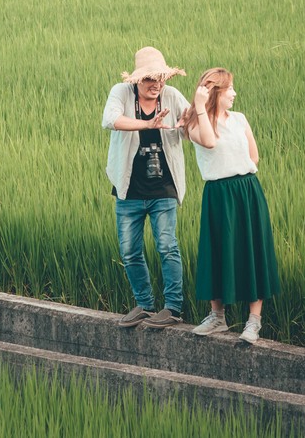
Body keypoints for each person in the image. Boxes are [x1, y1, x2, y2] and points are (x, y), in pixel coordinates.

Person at [180, 67, 280, 344]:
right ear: (214, 92)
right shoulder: (194, 124)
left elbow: (254, 156)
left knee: (251, 249)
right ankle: (218, 317)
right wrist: (199, 106)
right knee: (218, 250)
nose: (234, 94)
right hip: (218, 193)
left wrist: (241, 172)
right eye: (229, 90)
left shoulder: (239, 119)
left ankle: (254, 322)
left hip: (247, 190)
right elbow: (210, 142)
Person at [102, 46, 189, 329]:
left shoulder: (172, 96)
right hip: (129, 189)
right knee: (129, 251)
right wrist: (147, 123)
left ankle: (173, 308)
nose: (157, 84)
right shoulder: (122, 93)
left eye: (161, 78)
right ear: (138, 80)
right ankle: (144, 305)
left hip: (164, 186)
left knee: (167, 246)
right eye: (151, 79)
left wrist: (191, 120)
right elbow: (110, 120)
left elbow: (191, 124)